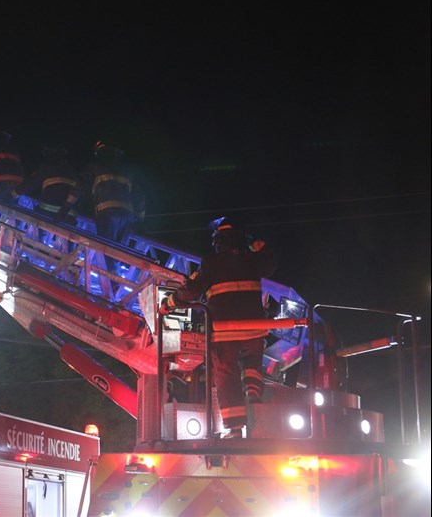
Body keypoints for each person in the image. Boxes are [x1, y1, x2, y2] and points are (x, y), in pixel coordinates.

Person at [159, 216, 277, 439]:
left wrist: (169, 303)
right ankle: (252, 392)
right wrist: (255, 245)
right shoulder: (253, 260)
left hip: (224, 332)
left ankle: (235, 428)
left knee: (227, 376)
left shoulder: (211, 263)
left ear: (220, 240)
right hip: (254, 329)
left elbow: (192, 290)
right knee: (252, 363)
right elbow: (270, 263)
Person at [79, 141, 145, 270]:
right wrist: (140, 220)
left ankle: (111, 278)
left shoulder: (94, 168)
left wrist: (67, 206)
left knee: (107, 250)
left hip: (106, 214)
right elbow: (140, 197)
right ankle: (117, 275)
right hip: (127, 216)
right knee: (119, 251)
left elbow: (81, 187)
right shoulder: (127, 171)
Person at [16, 144, 80, 224]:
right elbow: (78, 191)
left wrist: (13, 193)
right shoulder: (72, 171)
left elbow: (31, 183)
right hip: (68, 216)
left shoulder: (47, 167)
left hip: (47, 213)